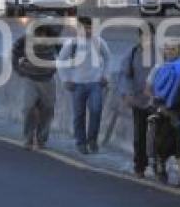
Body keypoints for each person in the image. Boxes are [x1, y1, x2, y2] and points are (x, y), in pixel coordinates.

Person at [56, 17, 111, 154]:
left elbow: (108, 58)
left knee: (96, 111)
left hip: (95, 84)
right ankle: (81, 142)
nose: (88, 30)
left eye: (90, 27)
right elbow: (60, 61)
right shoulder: (71, 44)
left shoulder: (99, 42)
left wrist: (105, 75)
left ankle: (92, 140)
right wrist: (65, 79)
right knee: (79, 115)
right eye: (84, 27)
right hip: (77, 85)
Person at [145, 39, 180, 184]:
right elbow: (148, 89)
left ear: (179, 51)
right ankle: (160, 168)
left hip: (179, 111)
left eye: (173, 49)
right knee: (161, 144)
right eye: (167, 49)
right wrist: (158, 102)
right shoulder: (158, 68)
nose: (170, 52)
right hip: (161, 111)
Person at [11, 23, 61, 149]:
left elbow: (65, 54)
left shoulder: (54, 40)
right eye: (38, 32)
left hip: (48, 80)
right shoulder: (25, 39)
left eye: (43, 31)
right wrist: (17, 69)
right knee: (28, 108)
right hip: (31, 79)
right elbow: (15, 52)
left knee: (48, 109)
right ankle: (28, 139)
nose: (41, 35)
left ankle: (41, 139)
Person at [118, 23, 156, 177]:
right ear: (139, 37)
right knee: (139, 136)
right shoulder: (132, 53)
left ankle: (158, 166)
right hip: (138, 101)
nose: (147, 39)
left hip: (156, 102)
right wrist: (126, 94)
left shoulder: (161, 53)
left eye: (150, 35)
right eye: (144, 35)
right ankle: (139, 166)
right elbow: (124, 75)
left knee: (157, 137)